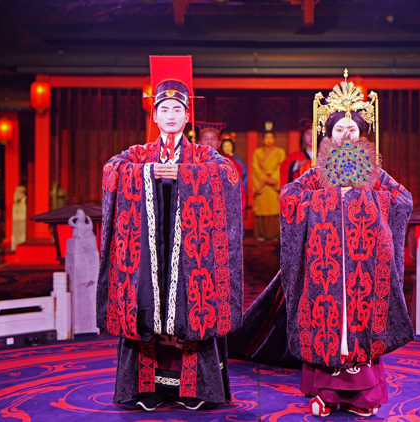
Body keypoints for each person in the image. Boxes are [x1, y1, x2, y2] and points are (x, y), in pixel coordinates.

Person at [231, 78, 413, 418]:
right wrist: (327, 201)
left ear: (362, 134)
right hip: (325, 267)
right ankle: (326, 395)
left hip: (362, 268)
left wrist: (364, 200)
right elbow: (290, 198)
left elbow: (402, 200)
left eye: (352, 129)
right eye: (339, 129)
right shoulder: (316, 173)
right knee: (328, 326)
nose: (346, 135)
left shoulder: (375, 173)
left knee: (359, 328)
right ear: (328, 135)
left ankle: (362, 397)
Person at [96, 56, 244, 411]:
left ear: (187, 116)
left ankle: (193, 388)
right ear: (155, 116)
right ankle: (148, 388)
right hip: (148, 256)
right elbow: (111, 170)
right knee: (148, 309)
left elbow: (228, 175)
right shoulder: (139, 154)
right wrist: (147, 173)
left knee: (188, 311)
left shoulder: (202, 155)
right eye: (164, 109)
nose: (171, 115)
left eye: (178, 109)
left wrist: (185, 175)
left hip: (191, 255)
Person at [251, 126, 286, 240]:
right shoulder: (257, 152)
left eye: (271, 138)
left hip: (274, 185)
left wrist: (273, 179)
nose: (269, 140)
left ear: (274, 139)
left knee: (274, 209)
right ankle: (261, 234)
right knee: (262, 209)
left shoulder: (280, 152)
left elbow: (282, 166)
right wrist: (264, 178)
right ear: (263, 140)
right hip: (262, 185)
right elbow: (255, 168)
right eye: (266, 138)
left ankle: (275, 234)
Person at [279, 118, 315, 187]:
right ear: (303, 137)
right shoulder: (296, 156)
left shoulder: (322, 155)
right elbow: (284, 167)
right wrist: (297, 164)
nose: (311, 136)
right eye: (308, 133)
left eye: (314, 134)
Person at [220, 136, 246, 217]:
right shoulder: (218, 161)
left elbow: (243, 178)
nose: (227, 148)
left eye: (229, 146)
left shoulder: (238, 162)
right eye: (225, 146)